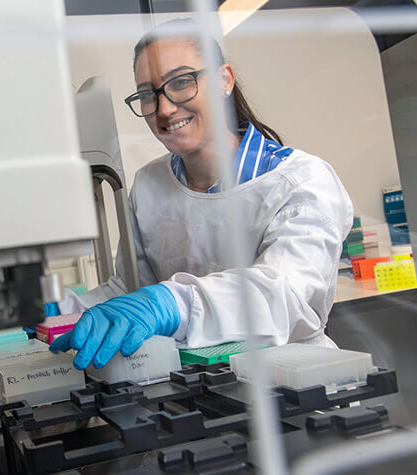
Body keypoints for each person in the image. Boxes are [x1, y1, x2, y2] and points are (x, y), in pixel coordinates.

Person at [49, 19, 353, 370]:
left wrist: (168, 303)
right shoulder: (150, 185)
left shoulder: (300, 180)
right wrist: (61, 313)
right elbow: (132, 291)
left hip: (298, 388)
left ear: (224, 80)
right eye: (149, 95)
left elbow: (285, 297)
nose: (164, 109)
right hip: (198, 389)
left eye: (181, 82)